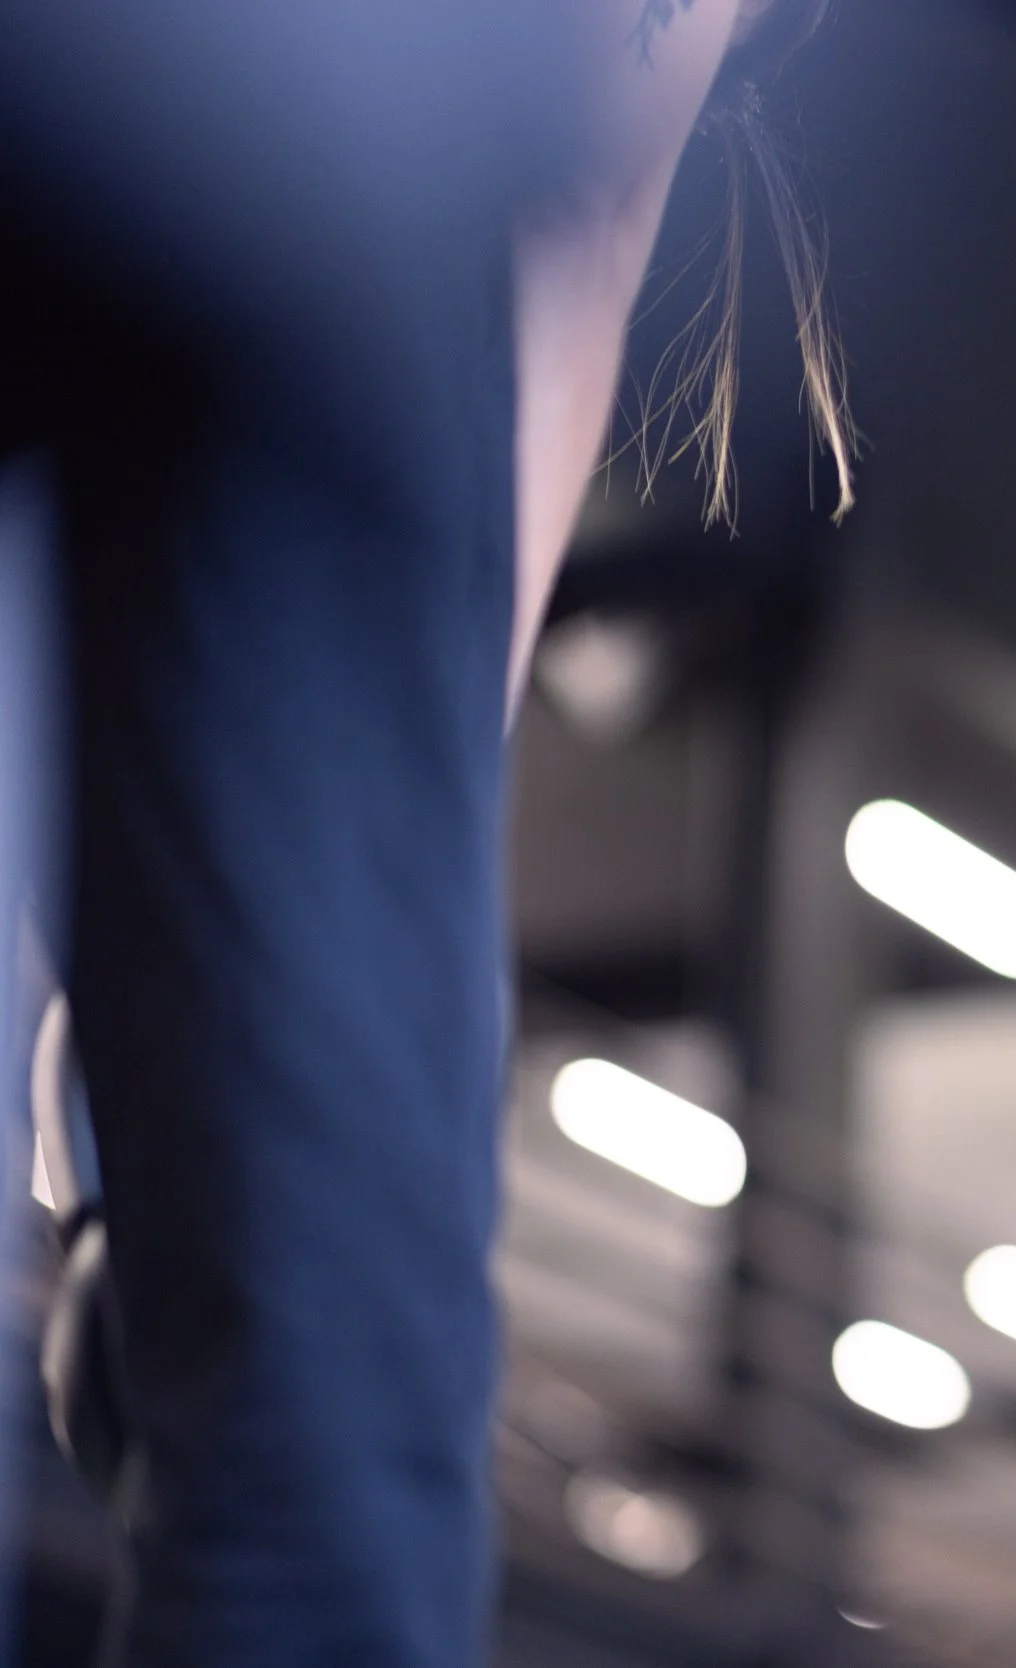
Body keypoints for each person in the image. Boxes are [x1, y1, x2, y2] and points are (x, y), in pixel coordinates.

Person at [0, 1, 832, 1661]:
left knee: (313, 1447)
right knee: (318, 1446)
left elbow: (593, 205)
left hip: (280, 249)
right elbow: (589, 213)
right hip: (294, 251)